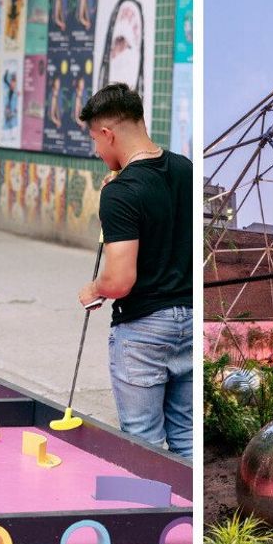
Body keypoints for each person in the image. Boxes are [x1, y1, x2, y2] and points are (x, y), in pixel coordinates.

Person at [76, 83, 192, 459]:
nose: (96, 150)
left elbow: (120, 281)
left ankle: (152, 517)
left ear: (108, 133)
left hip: (144, 328)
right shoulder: (185, 170)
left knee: (143, 445)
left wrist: (94, 289)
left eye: (95, 139)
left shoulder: (121, 193)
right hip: (189, 319)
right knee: (187, 436)